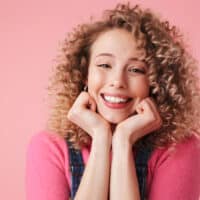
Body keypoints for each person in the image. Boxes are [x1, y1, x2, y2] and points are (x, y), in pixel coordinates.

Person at [26, 2, 200, 200]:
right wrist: (101, 138)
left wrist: (123, 140)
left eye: (135, 69)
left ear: (155, 82)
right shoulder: (49, 147)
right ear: (84, 74)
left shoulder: (179, 148)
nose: (117, 81)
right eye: (105, 65)